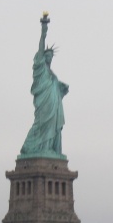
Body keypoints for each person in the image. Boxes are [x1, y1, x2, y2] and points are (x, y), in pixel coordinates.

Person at [19, 13, 69, 158]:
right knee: (41, 123)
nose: (49, 58)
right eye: (47, 55)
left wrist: (61, 88)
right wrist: (44, 29)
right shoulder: (40, 68)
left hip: (54, 104)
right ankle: (31, 148)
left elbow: (55, 86)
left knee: (52, 125)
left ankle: (49, 149)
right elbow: (41, 47)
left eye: (51, 56)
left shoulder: (52, 74)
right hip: (44, 103)